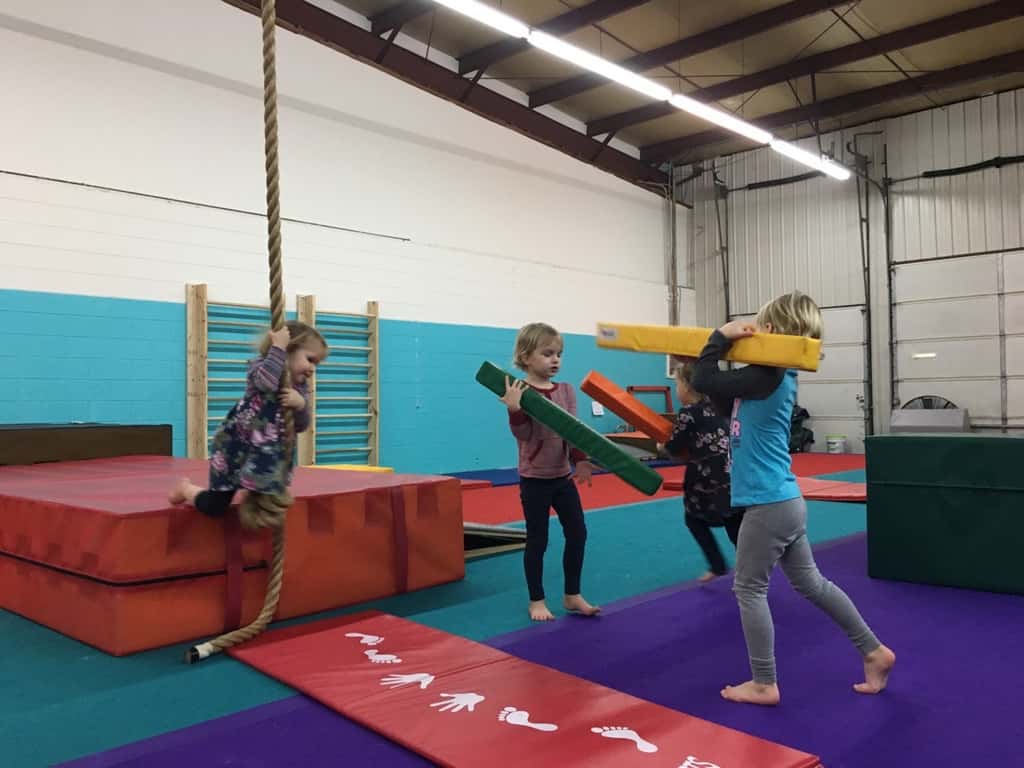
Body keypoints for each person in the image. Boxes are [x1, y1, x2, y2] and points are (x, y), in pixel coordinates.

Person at [692, 291, 895, 706]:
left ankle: (764, 683)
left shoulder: (770, 374)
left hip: (771, 503)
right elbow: (717, 394)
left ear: (774, 333)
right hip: (782, 500)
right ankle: (874, 651)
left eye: (763, 327)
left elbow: (706, 380)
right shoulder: (766, 377)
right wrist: (707, 356)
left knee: (749, 589)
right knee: (812, 584)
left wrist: (719, 339)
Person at [169, 320, 328, 520]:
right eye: (310, 359)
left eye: (317, 364)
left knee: (266, 506)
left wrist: (301, 405)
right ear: (289, 349)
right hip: (235, 448)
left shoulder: (300, 387)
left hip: (267, 456)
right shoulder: (260, 368)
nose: (313, 368)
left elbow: (302, 426)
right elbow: (266, 383)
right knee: (215, 506)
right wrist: (278, 347)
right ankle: (185, 489)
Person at [499, 322, 600, 622]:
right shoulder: (520, 391)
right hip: (535, 480)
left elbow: (574, 431)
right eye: (547, 354)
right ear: (526, 356)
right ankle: (537, 600)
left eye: (559, 354)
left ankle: (572, 594)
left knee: (578, 533)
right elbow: (524, 435)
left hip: (561, 477)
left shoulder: (567, 390)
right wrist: (515, 411)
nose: (555, 359)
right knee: (538, 540)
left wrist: (580, 460)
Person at [661, 358, 743, 582]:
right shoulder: (717, 407)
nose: (676, 390)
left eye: (677, 384)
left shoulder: (688, 413)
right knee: (732, 519)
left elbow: (676, 446)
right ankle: (750, 564)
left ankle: (717, 564)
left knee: (694, 519)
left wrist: (662, 446)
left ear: (688, 387)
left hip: (705, 479)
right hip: (729, 475)